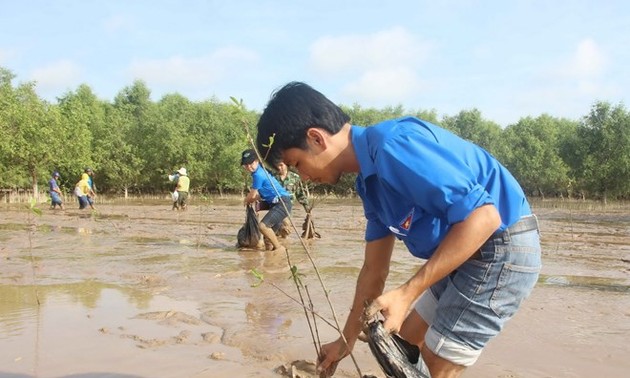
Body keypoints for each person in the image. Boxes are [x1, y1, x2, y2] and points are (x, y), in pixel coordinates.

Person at [255, 82, 541, 377]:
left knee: (436, 356)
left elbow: (484, 217)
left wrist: (406, 294)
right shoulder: (370, 183)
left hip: (501, 246)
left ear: (316, 138)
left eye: (297, 164)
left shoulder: (393, 145)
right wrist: (346, 339)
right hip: (467, 253)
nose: (303, 176)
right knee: (403, 341)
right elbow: (373, 270)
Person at [241, 149, 292, 252]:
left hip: (282, 203)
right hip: (277, 204)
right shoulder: (261, 171)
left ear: (257, 161)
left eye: (250, 163)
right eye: (246, 165)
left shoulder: (258, 175)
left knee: (263, 226)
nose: (248, 167)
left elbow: (252, 195)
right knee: (267, 238)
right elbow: (262, 195)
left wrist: (246, 201)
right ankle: (271, 261)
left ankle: (279, 249)